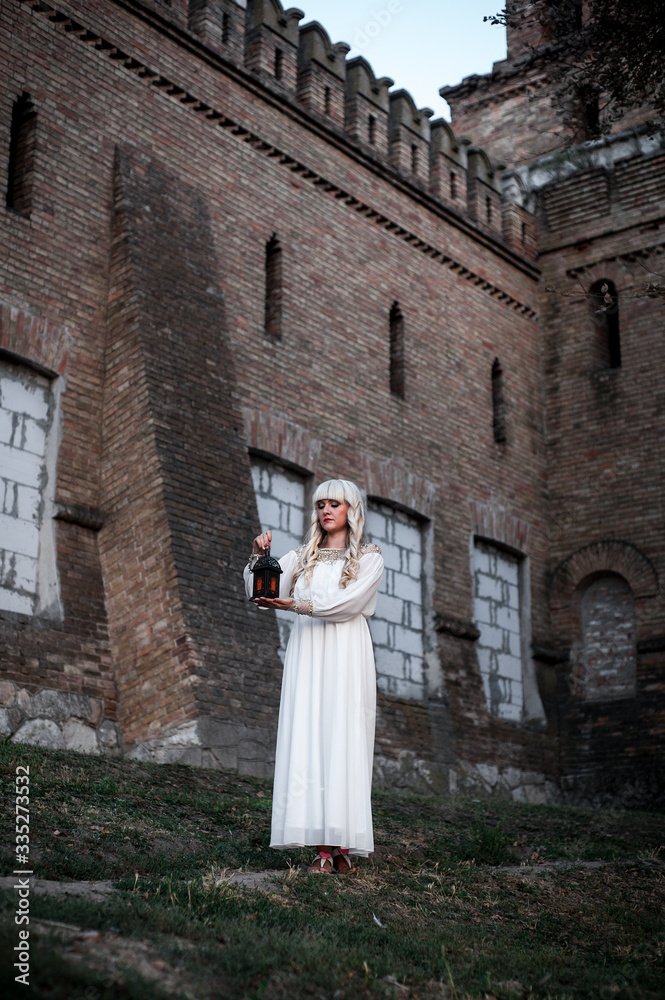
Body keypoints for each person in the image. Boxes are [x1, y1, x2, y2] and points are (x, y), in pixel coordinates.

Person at [244, 479, 384, 874]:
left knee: (342, 741)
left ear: (350, 510)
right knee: (310, 738)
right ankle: (328, 851)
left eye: (334, 504)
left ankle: (337, 847)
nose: (326, 511)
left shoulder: (369, 557)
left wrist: (297, 603)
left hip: (345, 654)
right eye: (321, 504)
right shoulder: (303, 555)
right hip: (307, 653)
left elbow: (347, 603)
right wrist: (259, 558)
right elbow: (260, 589)